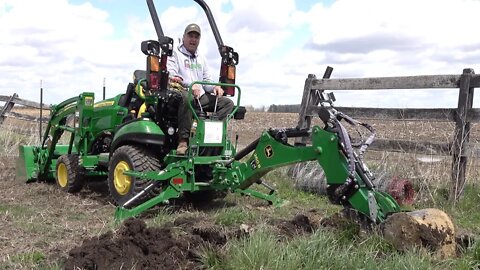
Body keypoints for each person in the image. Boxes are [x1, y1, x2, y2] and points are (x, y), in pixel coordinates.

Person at [167, 23, 234, 155]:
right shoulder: (175, 54)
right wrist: (190, 85)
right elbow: (172, 75)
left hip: (200, 97)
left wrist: (215, 87)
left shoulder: (201, 58)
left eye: (196, 37)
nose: (193, 40)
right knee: (187, 98)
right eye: (190, 36)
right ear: (184, 37)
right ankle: (183, 141)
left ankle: (210, 135)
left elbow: (206, 81)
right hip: (180, 92)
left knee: (227, 103)